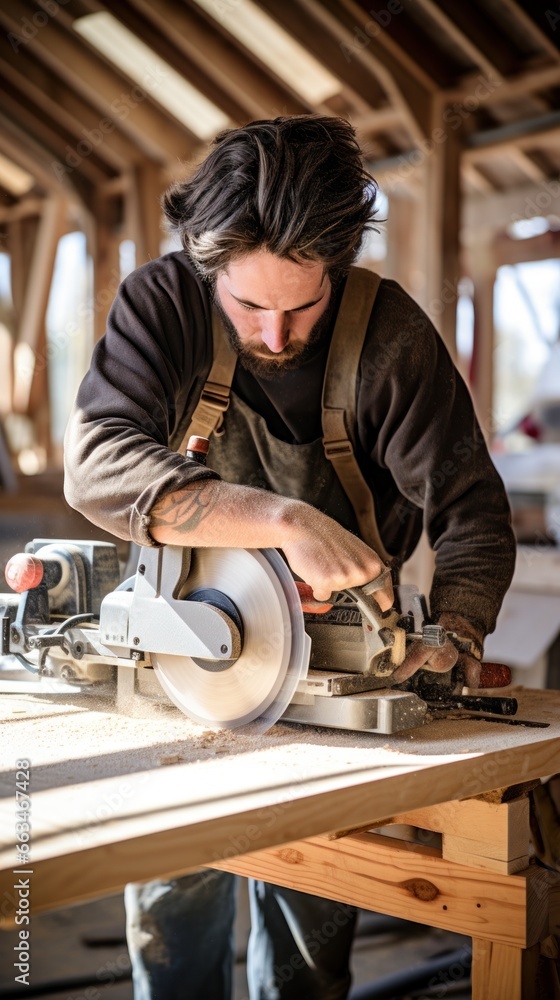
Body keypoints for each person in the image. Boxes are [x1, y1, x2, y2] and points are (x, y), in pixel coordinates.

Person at [64, 115, 515, 1000]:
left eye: (300, 306)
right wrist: (281, 519)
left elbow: (475, 516)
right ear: (206, 266)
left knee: (312, 917)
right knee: (173, 904)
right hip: (188, 658)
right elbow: (98, 463)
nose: (274, 335)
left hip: (333, 677)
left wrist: (456, 633)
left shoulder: (390, 337)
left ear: (338, 265)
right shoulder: (165, 303)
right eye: (249, 306)